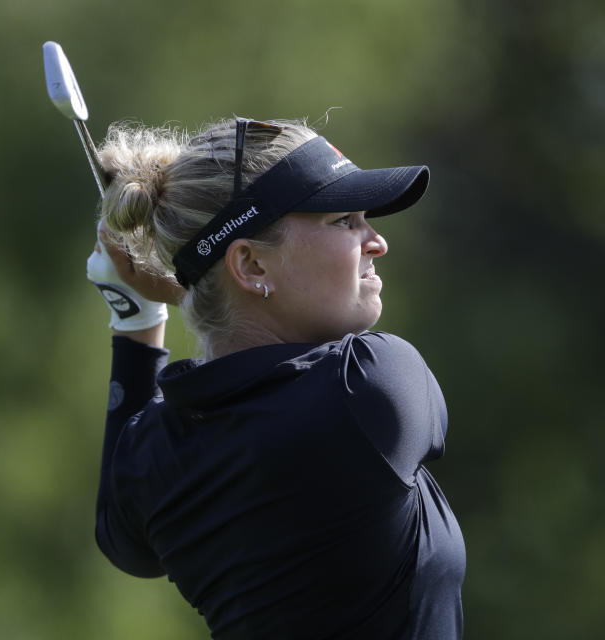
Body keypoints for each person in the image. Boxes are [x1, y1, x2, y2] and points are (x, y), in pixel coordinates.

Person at [87, 116, 465, 639]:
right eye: (344, 220)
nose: (376, 241)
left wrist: (138, 320)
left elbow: (119, 537)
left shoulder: (156, 454)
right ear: (252, 266)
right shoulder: (369, 390)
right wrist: (183, 289)